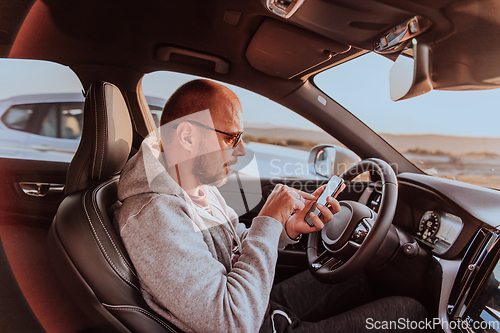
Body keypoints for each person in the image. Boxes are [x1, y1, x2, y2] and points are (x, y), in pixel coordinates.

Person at [116, 79, 428, 333]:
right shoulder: (155, 216)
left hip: (260, 305)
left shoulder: (193, 185)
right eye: (232, 138)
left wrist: (283, 228)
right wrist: (267, 220)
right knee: (409, 312)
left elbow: (236, 248)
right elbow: (232, 323)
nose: (241, 152)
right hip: (248, 320)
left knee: (355, 278)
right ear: (186, 136)